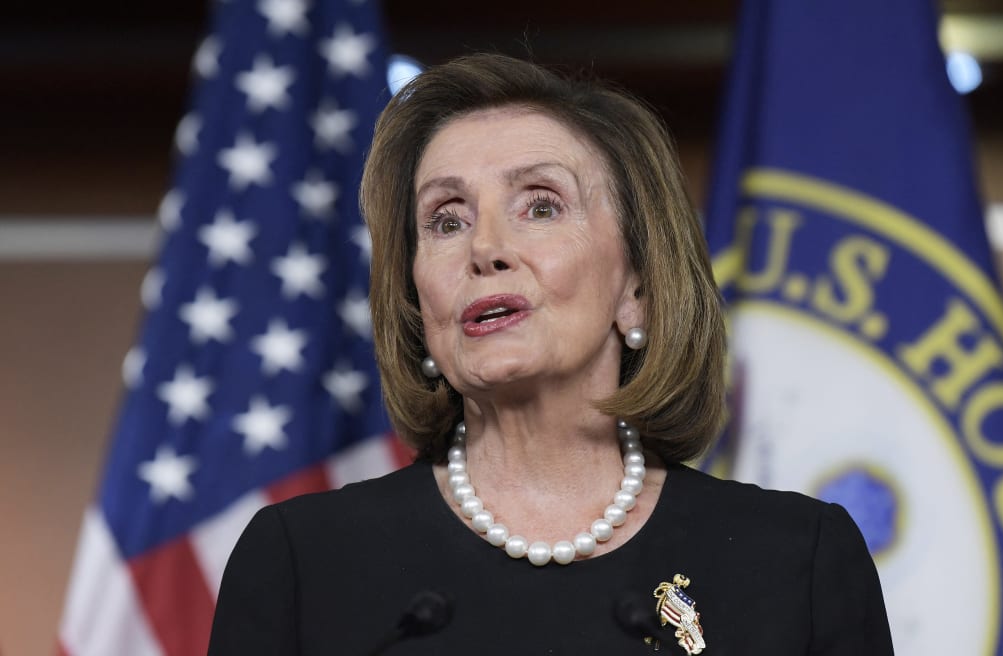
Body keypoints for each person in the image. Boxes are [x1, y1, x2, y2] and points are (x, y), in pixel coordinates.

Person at [208, 53, 894, 655]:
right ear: (418, 301)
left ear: (640, 289)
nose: (484, 249)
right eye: (446, 220)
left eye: (540, 206)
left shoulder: (796, 562)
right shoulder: (303, 564)